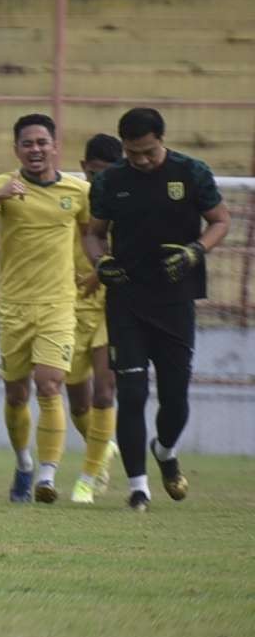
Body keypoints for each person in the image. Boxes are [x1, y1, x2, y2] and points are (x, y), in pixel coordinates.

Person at [82, 107, 231, 511]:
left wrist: (196, 250)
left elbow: (220, 221)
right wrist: (102, 262)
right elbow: (93, 234)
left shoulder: (191, 172)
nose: (141, 160)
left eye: (148, 152)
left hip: (176, 298)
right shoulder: (112, 180)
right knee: (130, 392)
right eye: (133, 153)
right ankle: (138, 487)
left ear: (161, 140)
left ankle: (164, 451)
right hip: (127, 299)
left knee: (175, 399)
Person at [0, 113, 91, 505]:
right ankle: (23, 461)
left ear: (55, 145)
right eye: (27, 143)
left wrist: (100, 273)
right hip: (15, 306)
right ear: (16, 149)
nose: (35, 149)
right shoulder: (2, 186)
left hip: (58, 304)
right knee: (16, 394)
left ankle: (47, 475)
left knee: (50, 384)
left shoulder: (78, 192)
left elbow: (91, 238)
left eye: (42, 142)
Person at [66, 134, 124, 503]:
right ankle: (103, 448)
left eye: (109, 174)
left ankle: (87, 477)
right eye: (96, 173)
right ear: (85, 168)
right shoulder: (69, 199)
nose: (101, 181)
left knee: (104, 392)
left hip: (110, 307)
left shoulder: (124, 206)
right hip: (67, 307)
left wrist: (99, 274)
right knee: (77, 403)